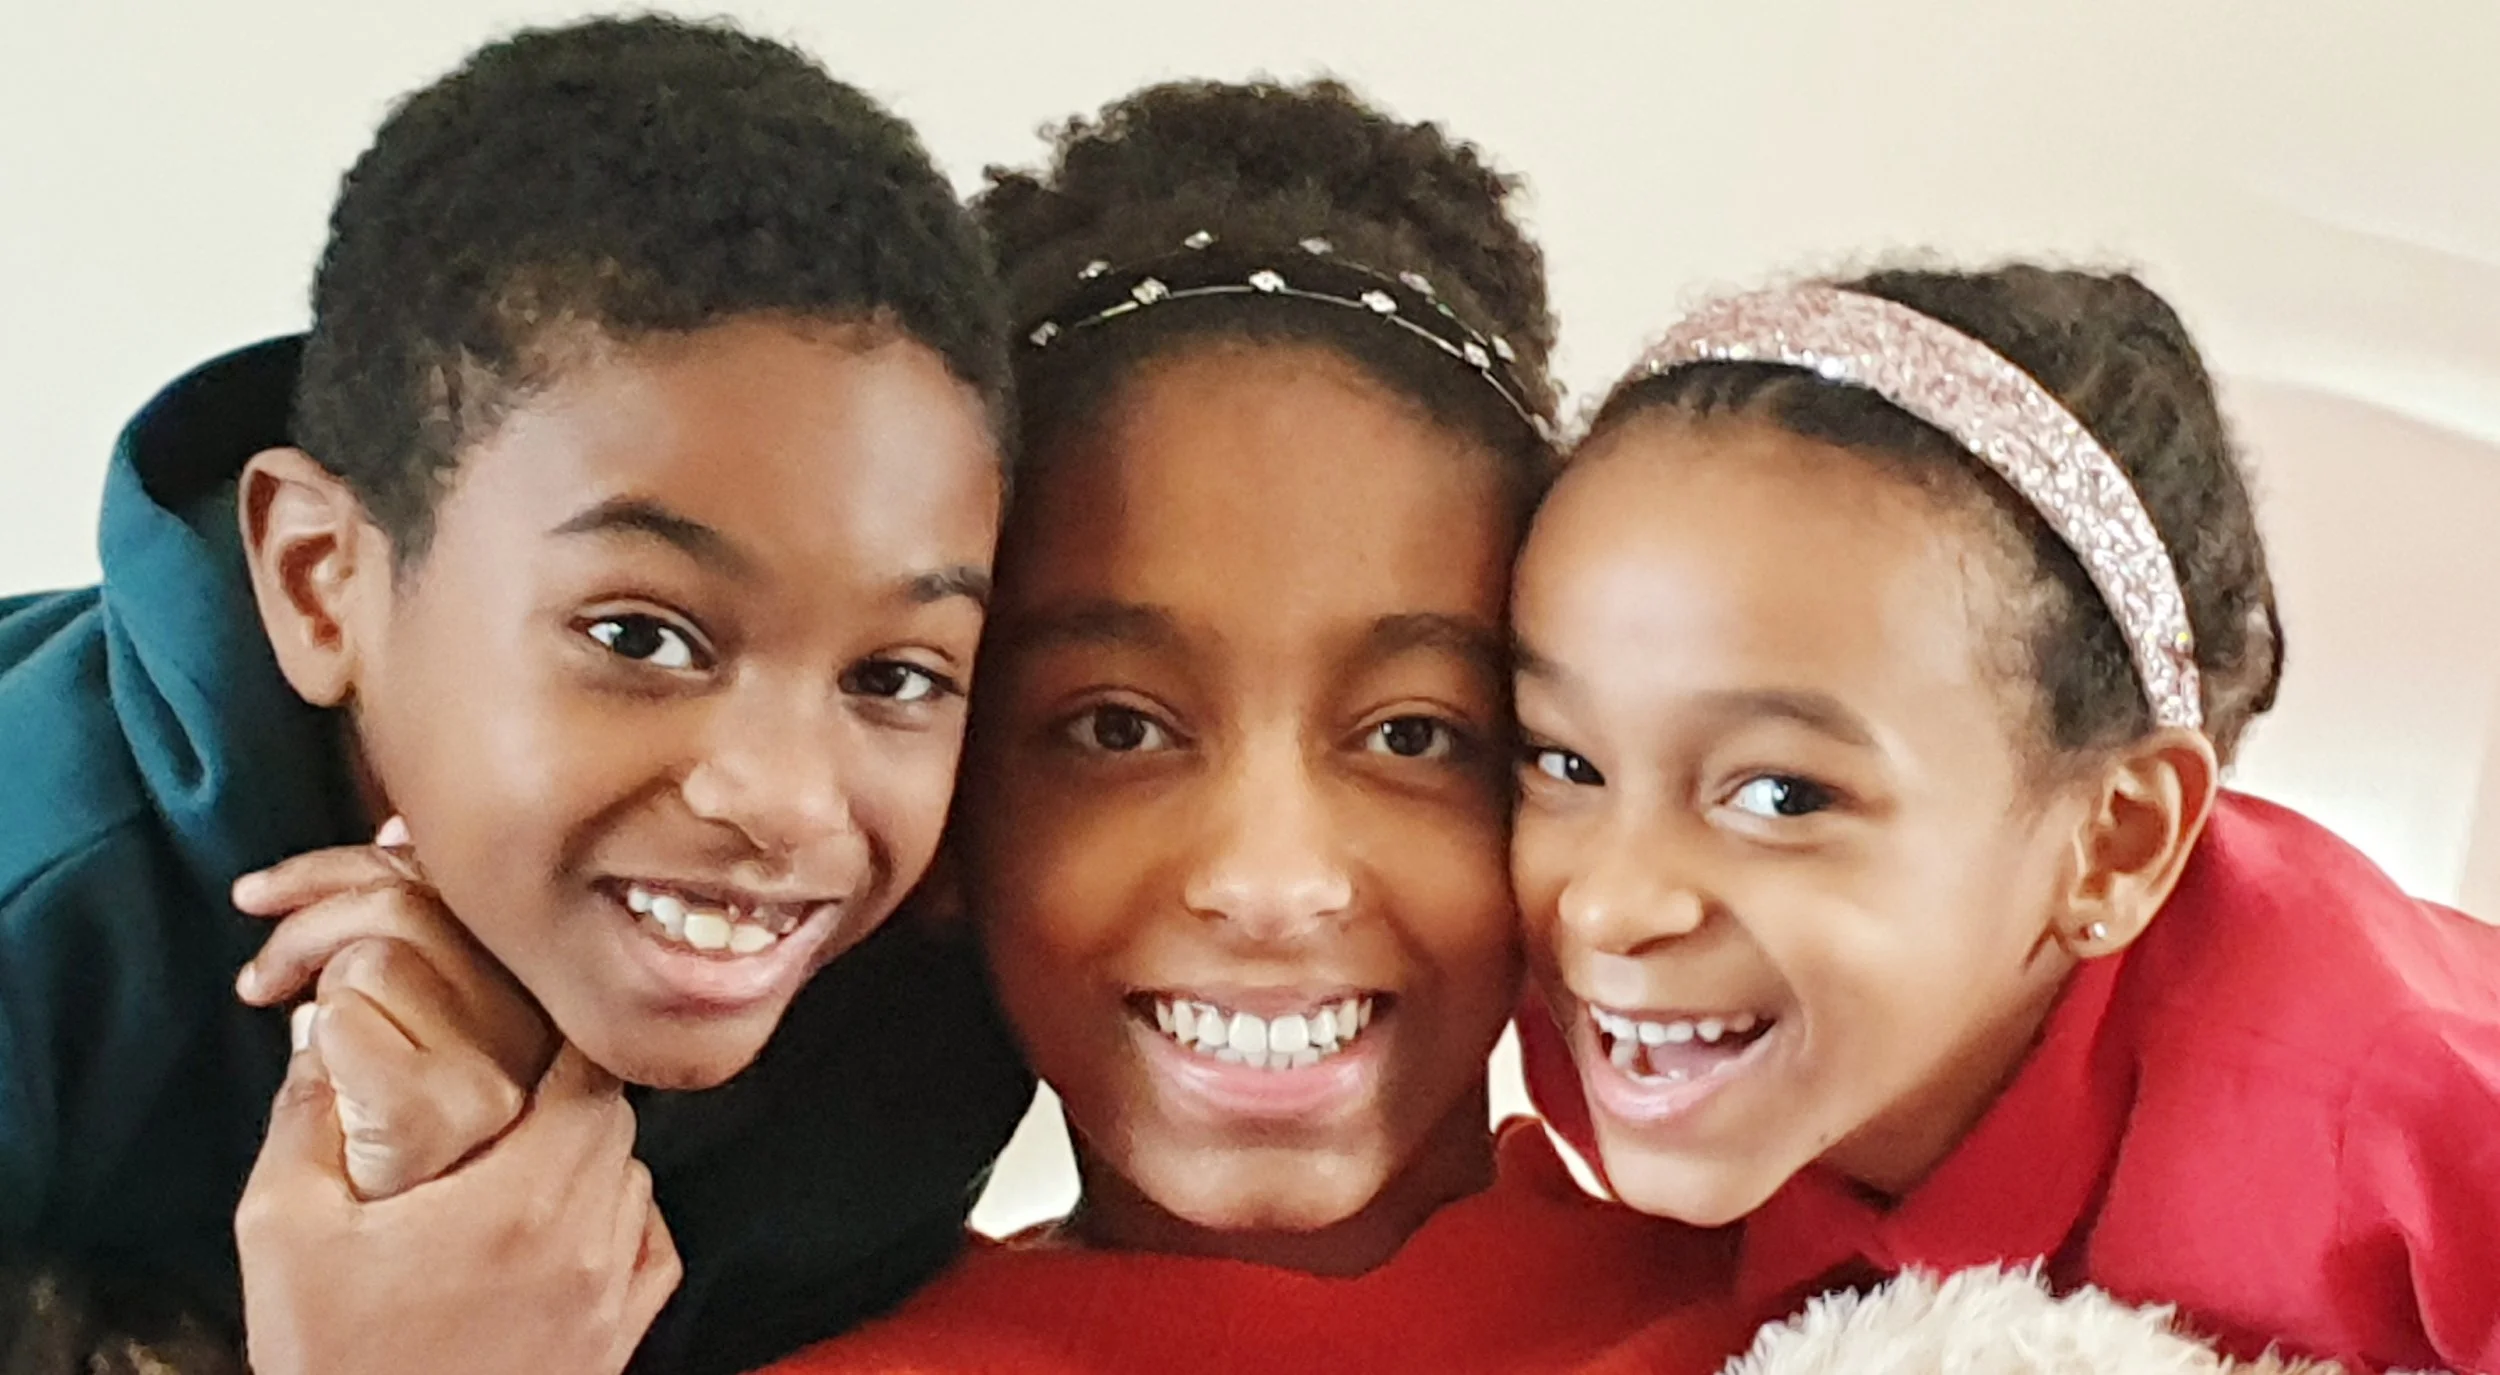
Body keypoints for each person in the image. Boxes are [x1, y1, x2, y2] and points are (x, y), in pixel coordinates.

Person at [0, 17, 1030, 1375]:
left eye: (894, 675)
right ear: (322, 583)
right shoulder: (39, 915)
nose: (787, 801)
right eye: (640, 635)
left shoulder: (908, 1040)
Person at [770, 79, 1751, 1375]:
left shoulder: (1847, 1320)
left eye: (1411, 734)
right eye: (1119, 728)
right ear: (950, 809)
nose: (1270, 884)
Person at [1508, 264, 2500, 1370]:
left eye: (1782, 794)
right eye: (1562, 760)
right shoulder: (1647, 1028)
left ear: (2112, 845)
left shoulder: (2390, 1108)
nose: (1609, 904)